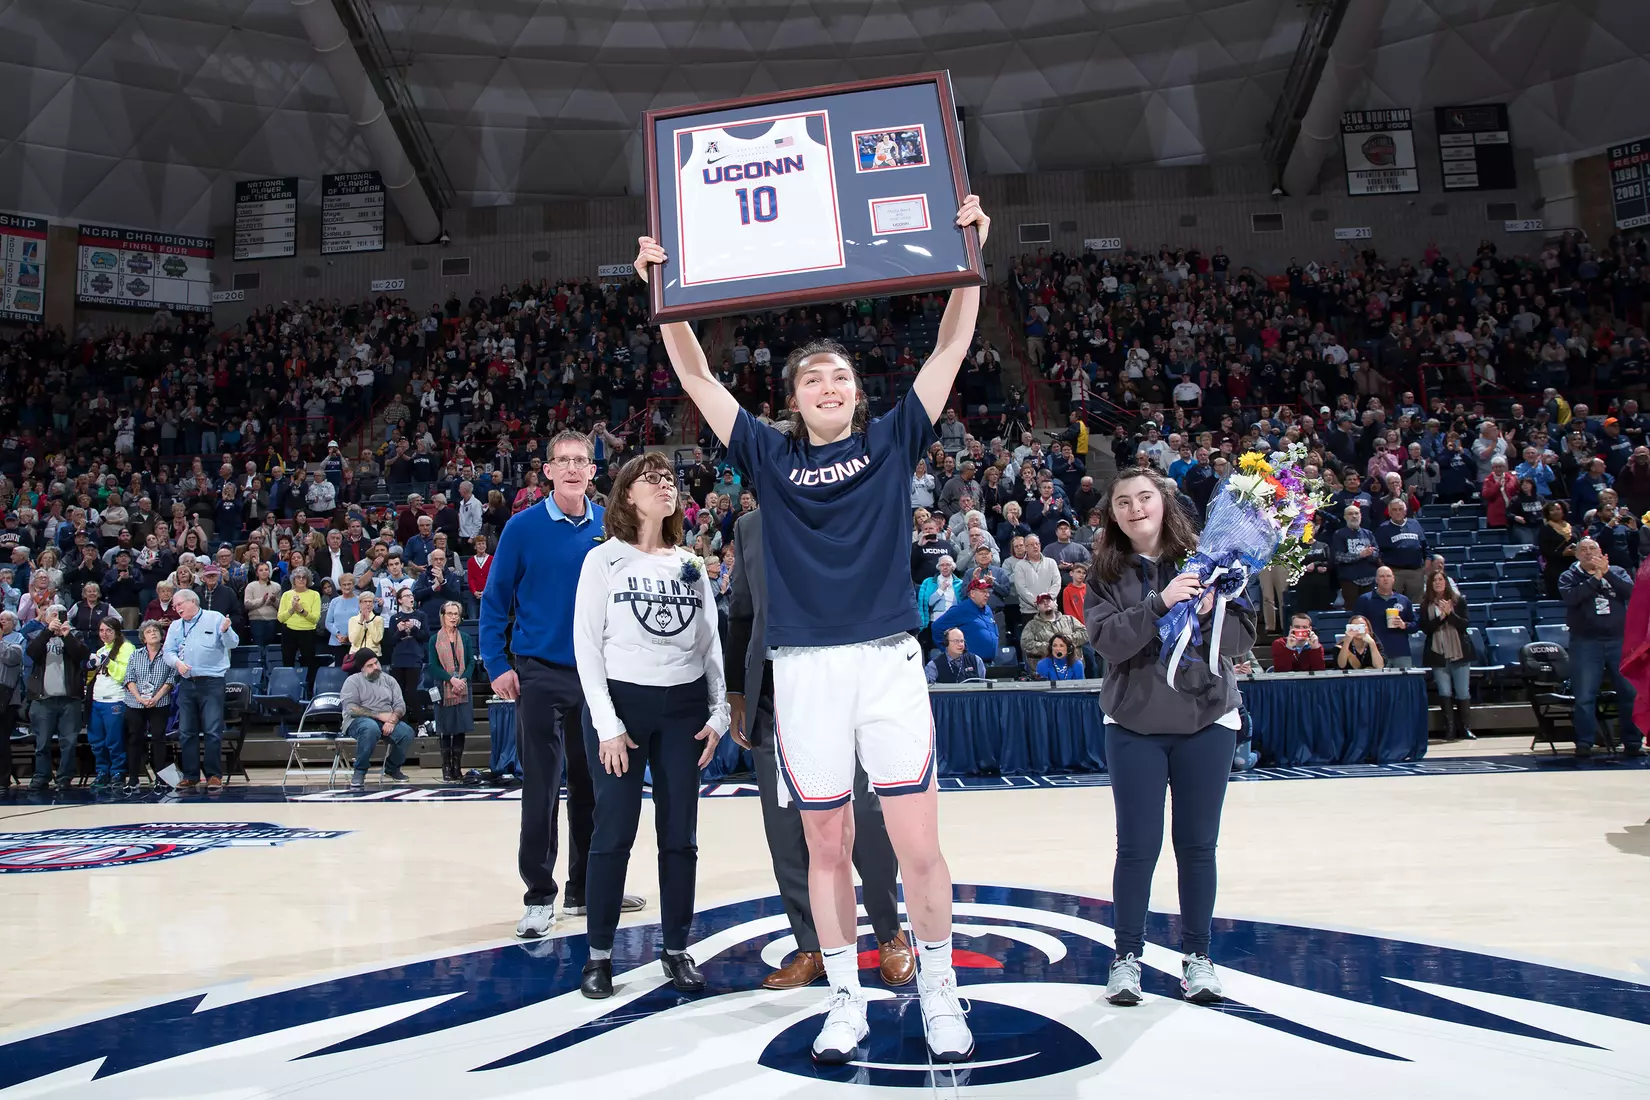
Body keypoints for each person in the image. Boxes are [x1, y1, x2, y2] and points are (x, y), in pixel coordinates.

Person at [633, 193, 989, 1064]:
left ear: (857, 394)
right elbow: (697, 379)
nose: (829, 387)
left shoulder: (893, 440)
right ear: (792, 400)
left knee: (917, 845)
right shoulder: (769, 453)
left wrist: (969, 259)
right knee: (826, 843)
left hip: (887, 663)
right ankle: (844, 1000)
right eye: (812, 379)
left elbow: (949, 347)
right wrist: (663, 294)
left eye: (841, 377)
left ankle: (940, 992)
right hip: (803, 672)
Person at [727, 502, 913, 992]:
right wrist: (736, 691)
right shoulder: (749, 527)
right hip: (773, 696)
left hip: (842, 690)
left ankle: (889, 932)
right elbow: (742, 613)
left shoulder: (849, 511)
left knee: (865, 820)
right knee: (785, 829)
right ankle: (813, 945)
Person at [1086, 466, 1253, 1008]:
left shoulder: (1214, 560)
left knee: (1198, 846)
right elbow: (1109, 643)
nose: (1135, 508)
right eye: (1123, 502)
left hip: (1207, 720)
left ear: (1164, 502)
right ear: (1113, 517)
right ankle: (1126, 959)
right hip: (1134, 725)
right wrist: (1159, 604)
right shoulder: (1104, 574)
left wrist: (1209, 608)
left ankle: (1198, 958)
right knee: (1137, 848)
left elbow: (1241, 639)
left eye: (1144, 497)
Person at [570, 453, 728, 998]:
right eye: (652, 479)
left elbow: (709, 642)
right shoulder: (603, 560)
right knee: (613, 832)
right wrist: (607, 724)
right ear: (626, 494)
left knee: (680, 836)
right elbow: (587, 647)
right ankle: (599, 955)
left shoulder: (690, 563)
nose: (666, 486)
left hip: (684, 708)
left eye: (670, 480)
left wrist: (719, 711)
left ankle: (677, 948)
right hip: (622, 707)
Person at [481, 429, 639, 942]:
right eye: (562, 460)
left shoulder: (611, 527)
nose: (572, 468)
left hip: (598, 676)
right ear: (547, 470)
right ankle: (539, 895)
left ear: (594, 471)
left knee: (594, 786)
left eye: (581, 461)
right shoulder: (522, 528)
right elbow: (495, 599)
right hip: (540, 672)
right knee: (542, 787)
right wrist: (496, 663)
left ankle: (585, 888)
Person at [1560, 538, 1643, 758]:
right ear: (1576, 555)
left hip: (1620, 641)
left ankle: (1633, 742)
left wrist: (1607, 574)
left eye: (1592, 549)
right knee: (1585, 695)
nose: (1588, 553)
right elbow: (1572, 598)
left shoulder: (1617, 571)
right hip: (1585, 643)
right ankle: (1584, 742)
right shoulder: (1569, 576)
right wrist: (1595, 578)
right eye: (1583, 550)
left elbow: (1633, 593)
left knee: (1629, 693)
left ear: (1601, 551)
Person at [161, 587, 239, 790]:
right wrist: (177, 663)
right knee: (187, 731)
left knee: (212, 730)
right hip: (187, 682)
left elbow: (233, 643)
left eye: (179, 604)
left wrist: (226, 630)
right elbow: (167, 652)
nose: (177, 608)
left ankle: (213, 775)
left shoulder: (215, 618)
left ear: (192, 602)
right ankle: (191, 775)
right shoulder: (176, 626)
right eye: (174, 606)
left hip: (212, 682)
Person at [26, 605, 88, 791]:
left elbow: (81, 655)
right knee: (42, 743)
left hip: (69, 699)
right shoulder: (36, 635)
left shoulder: (74, 635)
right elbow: (31, 653)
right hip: (43, 699)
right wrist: (47, 632)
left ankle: (65, 777)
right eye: (53, 615)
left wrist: (66, 636)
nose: (57, 618)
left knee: (68, 743)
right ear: (46, 618)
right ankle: (41, 776)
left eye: (60, 614)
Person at [339, 649, 416, 789]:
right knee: (370, 728)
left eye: (376, 663)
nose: (375, 667)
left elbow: (400, 705)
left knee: (407, 732)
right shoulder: (352, 681)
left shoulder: (389, 680)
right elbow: (351, 708)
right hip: (357, 721)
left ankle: (392, 768)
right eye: (370, 665)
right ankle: (360, 771)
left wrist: (392, 720)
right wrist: (379, 715)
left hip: (386, 720)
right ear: (362, 668)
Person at [1418, 570, 1475, 740]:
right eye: (1434, 580)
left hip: (1460, 652)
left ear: (1446, 582)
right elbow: (1426, 629)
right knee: (1444, 691)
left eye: (1440, 579)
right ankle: (1449, 728)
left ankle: (1465, 728)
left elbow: (1464, 625)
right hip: (1438, 653)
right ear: (1430, 584)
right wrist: (1441, 617)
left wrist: (1450, 614)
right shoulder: (1425, 605)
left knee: (1463, 692)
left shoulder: (1459, 601)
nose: (1437, 582)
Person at [122, 619, 176, 790]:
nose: (153, 633)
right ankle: (133, 779)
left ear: (161, 634)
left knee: (159, 738)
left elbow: (171, 680)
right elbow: (129, 678)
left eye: (155, 630)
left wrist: (156, 698)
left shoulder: (169, 655)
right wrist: (139, 698)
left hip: (160, 703)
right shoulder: (136, 655)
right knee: (134, 738)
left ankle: (161, 778)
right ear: (143, 638)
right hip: (135, 703)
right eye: (148, 631)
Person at [428, 600, 474, 782]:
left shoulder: (466, 638)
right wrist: (451, 679)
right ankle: (446, 766)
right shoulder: (434, 639)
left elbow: (470, 662)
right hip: (444, 687)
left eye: (456, 614)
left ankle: (457, 766)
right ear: (443, 616)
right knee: (446, 728)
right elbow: (433, 666)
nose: (453, 617)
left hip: (463, 687)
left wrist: (462, 679)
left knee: (460, 728)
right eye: (450, 614)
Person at [86, 617, 132, 788]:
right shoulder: (101, 650)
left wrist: (108, 662)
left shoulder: (126, 647)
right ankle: (102, 772)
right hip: (97, 700)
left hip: (115, 700)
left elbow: (124, 675)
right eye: (101, 630)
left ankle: (118, 772)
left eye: (108, 630)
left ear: (117, 632)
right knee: (97, 740)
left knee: (114, 740)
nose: (104, 634)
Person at [1354, 566, 1417, 667]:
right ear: (1376, 580)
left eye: (1388, 576)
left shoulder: (1404, 600)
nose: (1385, 579)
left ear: (1393, 579)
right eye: (1382, 576)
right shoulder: (1365, 600)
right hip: (1375, 652)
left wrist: (1404, 625)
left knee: (1404, 677)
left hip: (1401, 652)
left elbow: (1416, 625)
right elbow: (1355, 624)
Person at [386, 587, 429, 725]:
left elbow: (426, 637)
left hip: (414, 658)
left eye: (411, 595)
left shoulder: (421, 616)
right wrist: (399, 631)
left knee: (411, 691)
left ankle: (421, 723)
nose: (411, 598)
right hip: (398, 659)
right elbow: (391, 641)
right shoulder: (394, 618)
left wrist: (414, 629)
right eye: (407, 596)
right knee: (399, 693)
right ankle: (403, 724)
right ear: (400, 600)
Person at [1375, 498, 1428, 604]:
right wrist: (1386, 570)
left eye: (1400, 509)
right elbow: (1377, 552)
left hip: (1416, 572)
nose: (1398, 512)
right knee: (1393, 603)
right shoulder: (1383, 528)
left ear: (1405, 511)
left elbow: (1425, 546)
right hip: (1395, 572)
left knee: (1416, 604)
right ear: (1389, 513)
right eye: (1394, 510)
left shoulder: (1415, 524)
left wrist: (1425, 567)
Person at [276, 567, 321, 689]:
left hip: (308, 632)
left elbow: (315, 619)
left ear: (308, 579)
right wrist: (292, 609)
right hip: (289, 632)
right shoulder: (286, 595)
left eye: (304, 577)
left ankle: (309, 690)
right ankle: (288, 688)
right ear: (293, 580)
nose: (301, 579)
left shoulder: (314, 595)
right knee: (287, 662)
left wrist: (301, 610)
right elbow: (280, 618)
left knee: (309, 663)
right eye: (298, 577)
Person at [1020, 590, 1089, 663]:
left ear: (1054, 603)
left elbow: (1085, 633)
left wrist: (1066, 640)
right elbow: (1026, 645)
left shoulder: (1069, 619)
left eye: (1048, 600)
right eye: (1042, 602)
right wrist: (1051, 646)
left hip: (1073, 665)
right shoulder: (1031, 625)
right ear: (1037, 607)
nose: (1046, 603)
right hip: (1047, 667)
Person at [1331, 504, 1378, 610]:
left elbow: (1376, 553)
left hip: (1369, 579)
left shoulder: (1368, 533)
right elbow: (1339, 557)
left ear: (1361, 515)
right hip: (1350, 580)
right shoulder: (1339, 534)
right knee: (1353, 610)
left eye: (1356, 513)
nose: (1354, 516)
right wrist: (1360, 555)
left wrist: (1370, 554)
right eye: (1350, 514)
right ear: (1345, 517)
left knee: (1370, 609)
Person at [243, 560, 281, 646]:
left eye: (266, 569)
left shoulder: (276, 586)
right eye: (261, 570)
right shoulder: (251, 586)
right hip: (256, 620)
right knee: (258, 645)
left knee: (270, 646)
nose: (264, 572)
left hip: (272, 620)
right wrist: (262, 600)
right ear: (257, 573)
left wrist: (274, 600)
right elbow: (247, 604)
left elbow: (281, 606)